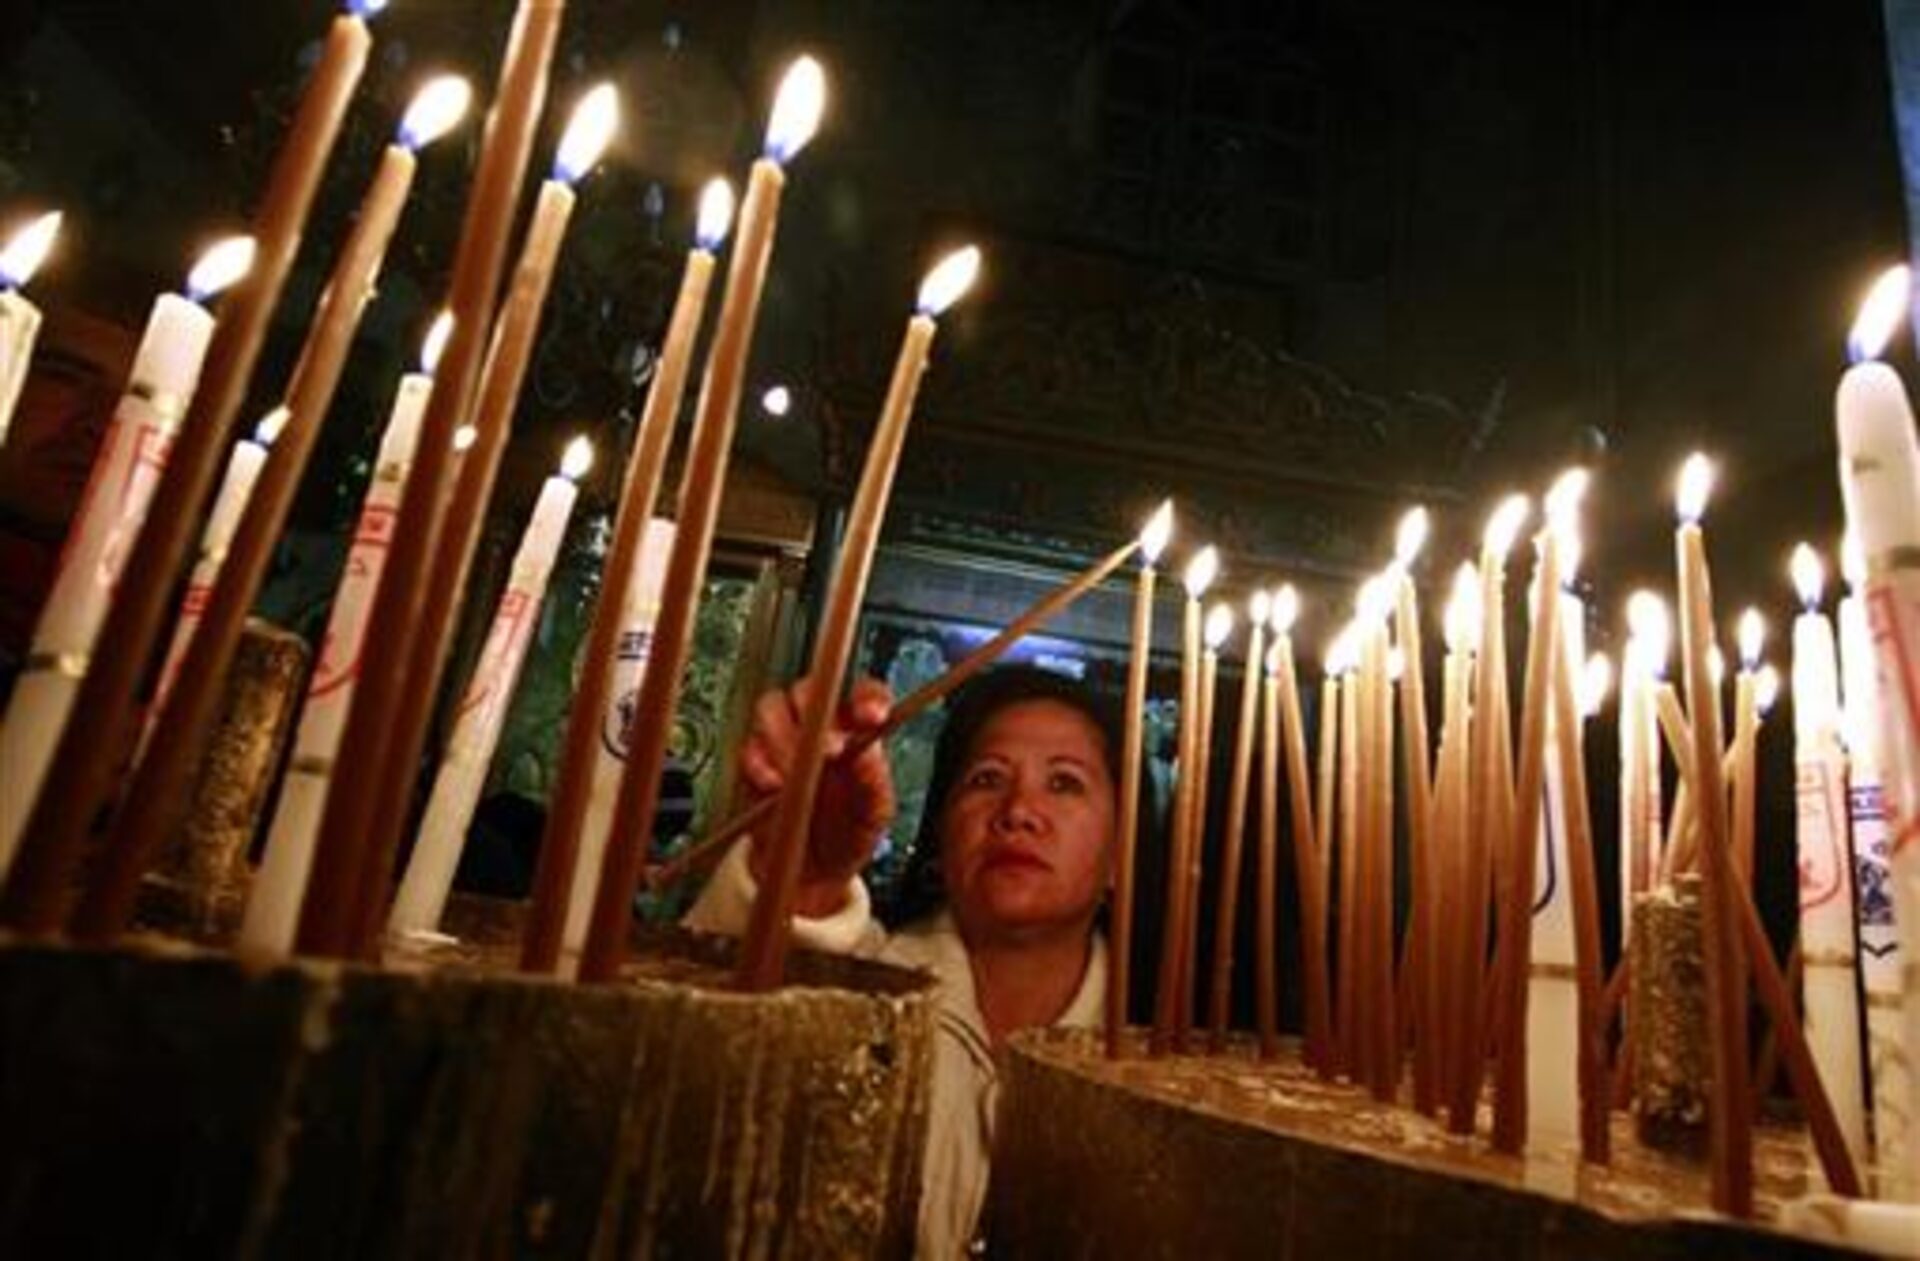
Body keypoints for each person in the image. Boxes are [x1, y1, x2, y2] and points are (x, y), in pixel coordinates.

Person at [686, 664, 1132, 1258]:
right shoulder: (863, 982)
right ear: (941, 837)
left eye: (1065, 783)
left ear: (1119, 858)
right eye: (987, 778)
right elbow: (696, 1077)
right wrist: (799, 878)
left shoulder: (1167, 1062)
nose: (1019, 810)